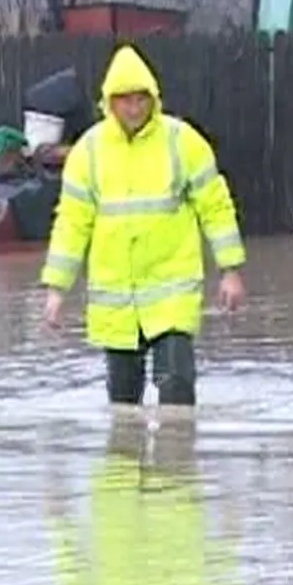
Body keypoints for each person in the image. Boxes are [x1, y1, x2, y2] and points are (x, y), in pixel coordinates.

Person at [40, 45, 247, 407]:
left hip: (172, 294)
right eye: (125, 100)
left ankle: (176, 460)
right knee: (122, 404)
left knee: (177, 386)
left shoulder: (182, 142)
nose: (134, 109)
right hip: (116, 301)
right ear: (109, 102)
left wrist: (230, 270)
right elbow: (72, 223)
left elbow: (215, 206)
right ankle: (123, 463)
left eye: (141, 99)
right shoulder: (88, 152)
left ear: (153, 98)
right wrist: (56, 290)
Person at [46, 417, 235, 585]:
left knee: (144, 419)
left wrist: (60, 525)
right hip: (160, 515)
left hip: (132, 514)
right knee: (164, 416)